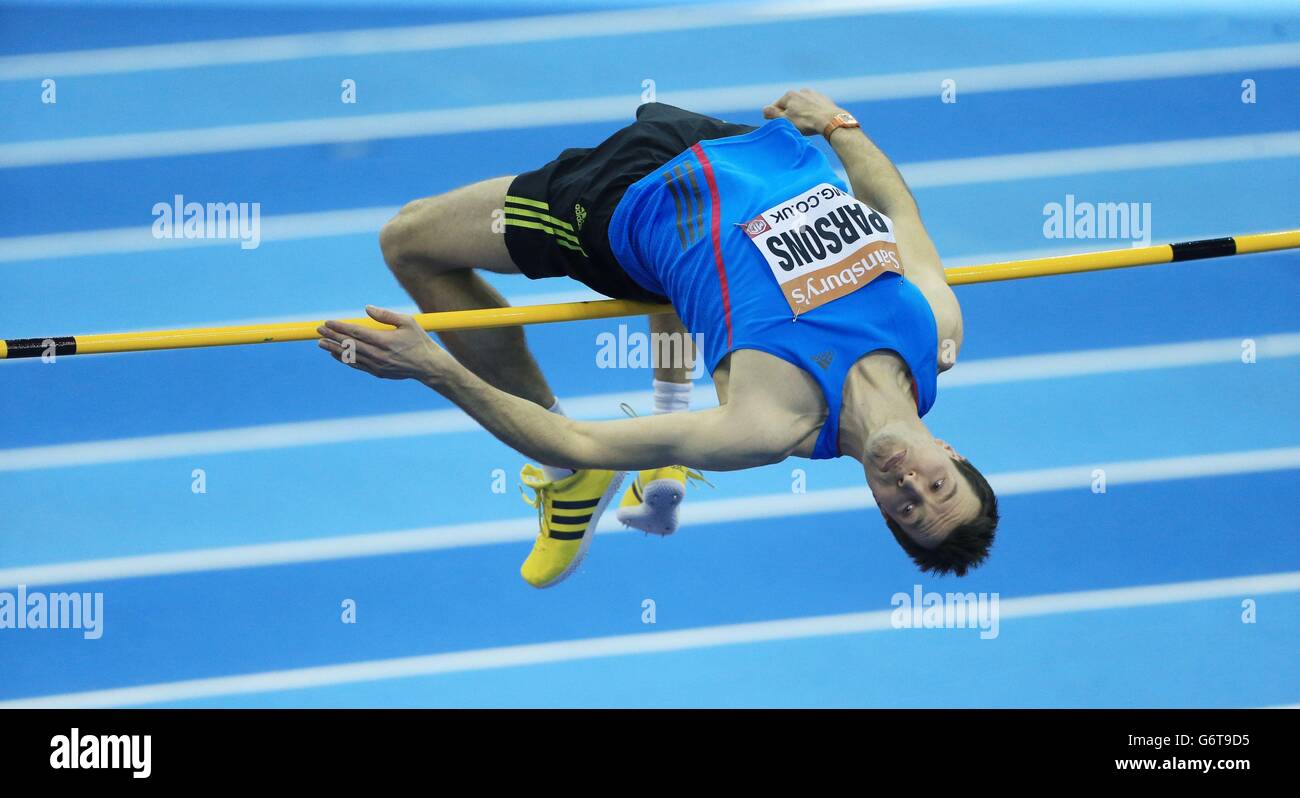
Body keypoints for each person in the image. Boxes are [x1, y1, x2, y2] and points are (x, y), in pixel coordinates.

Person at [317, 89, 998, 588]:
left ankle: (574, 486)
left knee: (408, 240)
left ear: (881, 509)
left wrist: (433, 368)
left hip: (623, 199)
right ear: (950, 451)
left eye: (906, 508)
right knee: (688, 292)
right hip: (733, 142)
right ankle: (661, 423)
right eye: (937, 484)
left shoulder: (771, 423)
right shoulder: (932, 327)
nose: (909, 483)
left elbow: (580, 437)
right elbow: (896, 212)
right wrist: (839, 127)